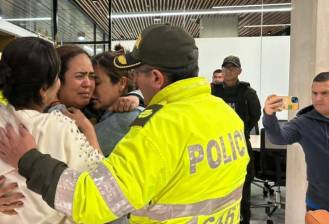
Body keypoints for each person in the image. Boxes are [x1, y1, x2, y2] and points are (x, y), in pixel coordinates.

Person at [0, 24, 249, 224]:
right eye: (80, 76)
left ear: (156, 77)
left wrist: (28, 158)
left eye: (134, 75)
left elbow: (94, 200)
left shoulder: (156, 129)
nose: (131, 83)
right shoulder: (225, 115)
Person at [0, 37, 103, 223]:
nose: (88, 83)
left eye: (92, 76)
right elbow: (99, 186)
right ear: (44, 89)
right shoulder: (61, 127)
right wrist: (88, 130)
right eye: (57, 77)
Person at [263, 72, 329, 223]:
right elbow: (278, 138)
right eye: (314, 93)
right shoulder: (303, 123)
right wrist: (269, 115)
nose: (317, 98)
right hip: (322, 207)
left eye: (324, 93)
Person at [211, 55, 261, 224]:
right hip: (215, 144)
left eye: (233, 68)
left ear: (239, 71)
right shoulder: (212, 91)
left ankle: (243, 219)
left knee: (243, 189)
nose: (229, 70)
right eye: (226, 67)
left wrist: (243, 129)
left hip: (240, 143)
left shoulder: (248, 93)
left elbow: (256, 114)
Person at [91, 51, 144, 156]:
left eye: (96, 83)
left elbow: (79, 152)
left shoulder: (126, 118)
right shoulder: (97, 111)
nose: (90, 88)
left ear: (122, 83)